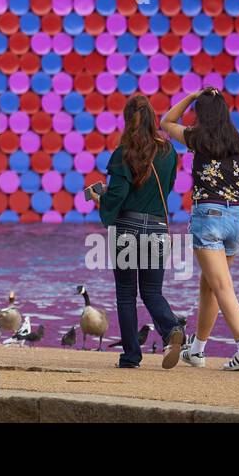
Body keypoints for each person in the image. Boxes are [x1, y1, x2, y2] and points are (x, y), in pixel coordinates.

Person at [161, 87, 239, 370]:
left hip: (209, 216)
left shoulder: (197, 138)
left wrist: (191, 97)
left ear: (202, 115)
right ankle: (197, 350)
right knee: (209, 287)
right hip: (238, 221)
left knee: (221, 286)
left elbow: (166, 123)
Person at [89, 95, 186, 369]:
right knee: (153, 292)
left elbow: (117, 196)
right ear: (154, 119)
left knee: (126, 294)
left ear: (126, 120)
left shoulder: (123, 154)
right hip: (156, 229)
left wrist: (101, 201)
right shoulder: (169, 152)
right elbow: (165, 190)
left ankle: (131, 356)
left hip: (128, 230)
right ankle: (171, 329)